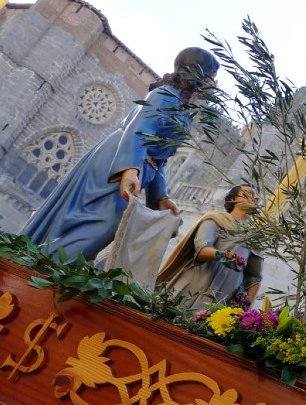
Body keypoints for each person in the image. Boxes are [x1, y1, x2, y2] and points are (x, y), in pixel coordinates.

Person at [22, 47, 219, 262]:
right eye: (211, 77)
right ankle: (40, 265)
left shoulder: (181, 108)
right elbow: (139, 130)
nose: (213, 84)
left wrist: (160, 197)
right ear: (198, 72)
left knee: (104, 224)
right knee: (104, 223)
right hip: (118, 160)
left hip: (137, 165)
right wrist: (130, 170)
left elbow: (159, 157)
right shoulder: (165, 96)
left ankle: (48, 266)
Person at [156, 185, 264, 308]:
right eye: (250, 193)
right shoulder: (215, 218)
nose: (256, 197)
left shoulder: (255, 237)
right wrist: (223, 256)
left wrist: (246, 311)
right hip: (196, 284)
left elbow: (254, 277)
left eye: (256, 195)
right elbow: (201, 250)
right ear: (234, 198)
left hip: (224, 297)